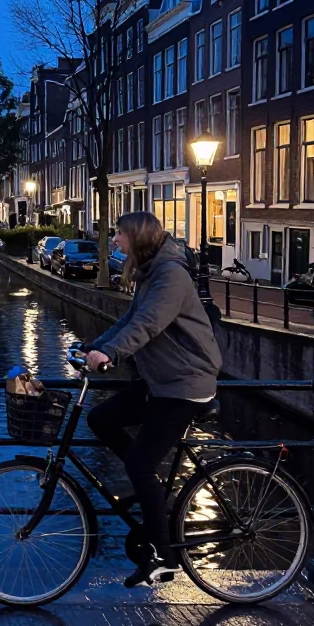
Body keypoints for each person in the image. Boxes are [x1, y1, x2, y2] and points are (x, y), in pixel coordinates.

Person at [84, 211, 222, 588]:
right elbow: (130, 318)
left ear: (138, 238)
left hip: (184, 384)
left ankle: (164, 556)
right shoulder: (150, 273)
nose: (114, 240)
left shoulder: (170, 276)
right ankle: (152, 498)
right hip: (160, 381)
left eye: (119, 234)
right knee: (101, 419)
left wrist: (111, 355)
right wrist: (93, 347)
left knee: (141, 466)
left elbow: (148, 324)